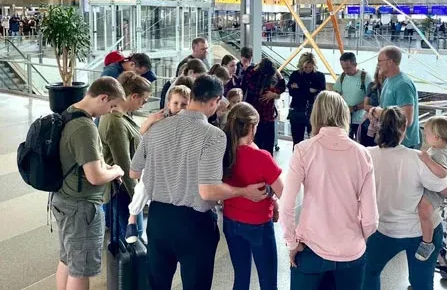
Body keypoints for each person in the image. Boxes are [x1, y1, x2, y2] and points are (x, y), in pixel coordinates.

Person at [129, 74, 267, 290]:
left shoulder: (157, 128)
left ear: (191, 95)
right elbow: (208, 190)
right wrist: (243, 191)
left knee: (157, 284)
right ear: (214, 101)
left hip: (157, 221)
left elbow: (134, 171)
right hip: (193, 224)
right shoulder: (213, 135)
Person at [280, 91, 379, 290]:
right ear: (345, 115)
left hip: (311, 248)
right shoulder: (363, 154)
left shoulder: (304, 150)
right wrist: (357, 238)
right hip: (352, 252)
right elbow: (371, 219)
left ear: (315, 115)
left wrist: (292, 243)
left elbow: (286, 206)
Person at [362, 107, 447, 290]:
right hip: (421, 233)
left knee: (369, 273)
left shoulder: (366, 155)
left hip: (382, 230)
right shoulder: (417, 158)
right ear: (404, 128)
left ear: (379, 127)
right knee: (421, 283)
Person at [51, 77, 126, 290]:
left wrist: (106, 169)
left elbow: (86, 164)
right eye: (111, 105)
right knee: (81, 270)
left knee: (68, 260)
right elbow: (94, 176)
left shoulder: (69, 111)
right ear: (103, 97)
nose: (109, 111)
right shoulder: (84, 127)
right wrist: (116, 171)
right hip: (81, 207)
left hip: (63, 199)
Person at [222, 102, 284, 290]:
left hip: (230, 221)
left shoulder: (224, 153)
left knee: (240, 278)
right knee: (267, 281)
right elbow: (283, 192)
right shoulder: (262, 157)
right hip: (258, 224)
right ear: (251, 127)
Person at [126, 84, 191, 243]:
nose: (179, 107)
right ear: (168, 104)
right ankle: (132, 219)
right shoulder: (160, 119)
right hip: (156, 162)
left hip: (175, 165)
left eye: (183, 104)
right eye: (176, 103)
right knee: (143, 187)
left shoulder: (191, 123)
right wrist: (151, 120)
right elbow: (142, 134)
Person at [98, 72, 151, 242]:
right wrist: (138, 198)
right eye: (143, 101)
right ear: (134, 96)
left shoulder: (121, 117)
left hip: (123, 190)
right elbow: (124, 165)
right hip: (122, 192)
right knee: (132, 241)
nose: (143, 105)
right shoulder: (115, 122)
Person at [415, 116, 447, 261]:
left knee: (424, 212)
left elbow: (442, 172)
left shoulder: (440, 153)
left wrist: (427, 159)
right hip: (429, 188)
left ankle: (427, 242)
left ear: (437, 137)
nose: (425, 136)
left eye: (426, 134)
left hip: (434, 192)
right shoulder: (436, 149)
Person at [369, 46, 421, 149]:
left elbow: (408, 119)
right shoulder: (388, 80)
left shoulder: (403, 84)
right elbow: (386, 105)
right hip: (390, 141)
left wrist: (379, 112)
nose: (378, 64)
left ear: (390, 62)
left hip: (405, 144)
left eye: (380, 60)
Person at [242, 58, 286, 155]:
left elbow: (282, 86)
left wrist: (275, 94)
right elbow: (282, 86)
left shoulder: (264, 77)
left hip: (261, 117)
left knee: (262, 146)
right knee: (262, 147)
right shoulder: (258, 77)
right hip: (261, 116)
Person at [287, 52, 326, 146]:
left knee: (314, 141)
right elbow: (292, 92)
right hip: (297, 110)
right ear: (301, 66)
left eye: (310, 67)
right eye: (305, 67)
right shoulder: (295, 74)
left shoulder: (319, 76)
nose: (308, 69)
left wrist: (299, 88)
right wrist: (310, 90)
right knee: (297, 142)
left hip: (314, 111)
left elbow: (322, 94)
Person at [334, 52, 371, 140]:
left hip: (361, 120)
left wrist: (354, 108)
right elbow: (336, 94)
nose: (346, 71)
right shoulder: (342, 76)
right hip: (345, 119)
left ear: (355, 64)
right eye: (343, 68)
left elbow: (371, 100)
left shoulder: (365, 77)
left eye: (348, 68)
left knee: (361, 143)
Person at [360, 69, 385, 147]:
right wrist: (377, 109)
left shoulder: (390, 88)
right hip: (369, 122)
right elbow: (365, 106)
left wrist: (377, 110)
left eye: (384, 78)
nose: (382, 81)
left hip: (383, 124)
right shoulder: (371, 86)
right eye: (380, 78)